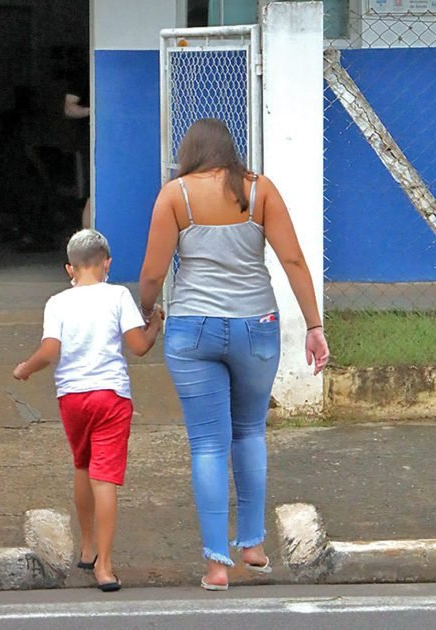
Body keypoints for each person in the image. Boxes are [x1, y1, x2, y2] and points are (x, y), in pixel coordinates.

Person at [137, 118, 330, 591]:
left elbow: (152, 272)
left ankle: (216, 566)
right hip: (256, 328)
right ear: (231, 151)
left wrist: (147, 312)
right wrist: (314, 325)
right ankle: (253, 546)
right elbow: (293, 261)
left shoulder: (174, 195)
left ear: (190, 153)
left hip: (192, 331)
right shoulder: (259, 191)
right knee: (248, 434)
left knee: (207, 444)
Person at [13, 229, 162, 592]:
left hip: (72, 398)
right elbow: (139, 346)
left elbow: (50, 351)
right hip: (111, 396)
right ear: (107, 263)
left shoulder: (57, 303)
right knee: (105, 477)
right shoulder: (118, 296)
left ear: (69, 269)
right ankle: (105, 568)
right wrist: (155, 323)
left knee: (82, 465)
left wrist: (26, 368)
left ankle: (88, 546)